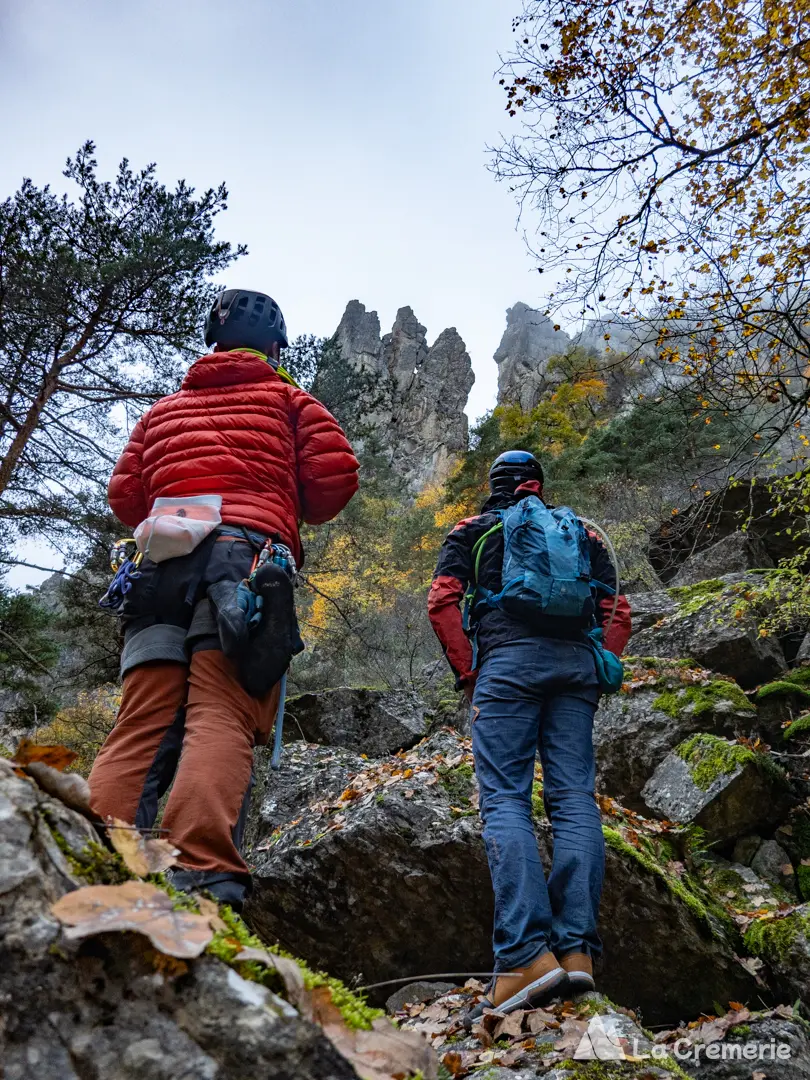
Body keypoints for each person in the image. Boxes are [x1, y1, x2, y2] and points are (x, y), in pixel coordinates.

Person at [89, 289, 359, 910]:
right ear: (273, 346)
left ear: (213, 344)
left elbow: (127, 498)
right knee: (223, 710)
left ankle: (95, 856)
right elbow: (333, 484)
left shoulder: (163, 412)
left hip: (158, 571)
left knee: (141, 720)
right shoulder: (291, 401)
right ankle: (200, 870)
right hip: (244, 564)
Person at [427, 450, 631, 1019]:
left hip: (507, 667)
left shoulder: (472, 529)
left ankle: (523, 957)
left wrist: (470, 671)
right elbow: (618, 609)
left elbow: (443, 601)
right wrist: (601, 665)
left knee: (506, 801)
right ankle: (577, 953)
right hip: (575, 672)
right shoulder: (583, 532)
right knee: (573, 801)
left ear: (495, 486)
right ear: (541, 484)